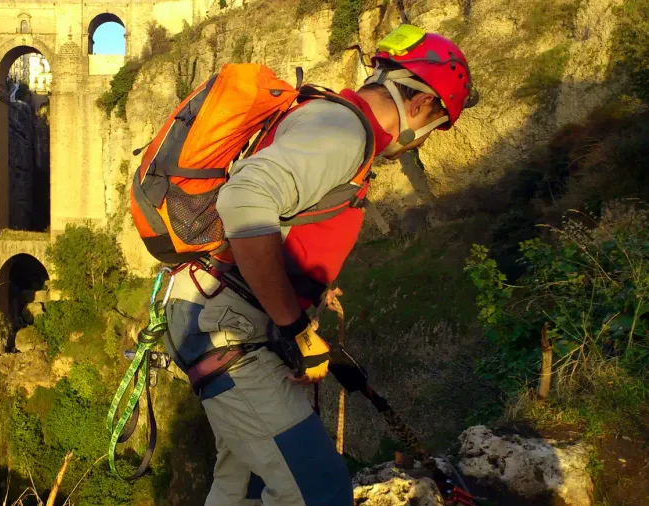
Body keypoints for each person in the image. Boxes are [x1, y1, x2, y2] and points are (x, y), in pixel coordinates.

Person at [161, 25, 477, 505]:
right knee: (319, 491)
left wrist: (308, 289)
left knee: (246, 482)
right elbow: (246, 200)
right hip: (226, 323)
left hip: (216, 311)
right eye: (438, 124)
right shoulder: (343, 131)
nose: (424, 142)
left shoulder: (329, 119)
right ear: (420, 106)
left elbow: (289, 220)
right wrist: (294, 327)